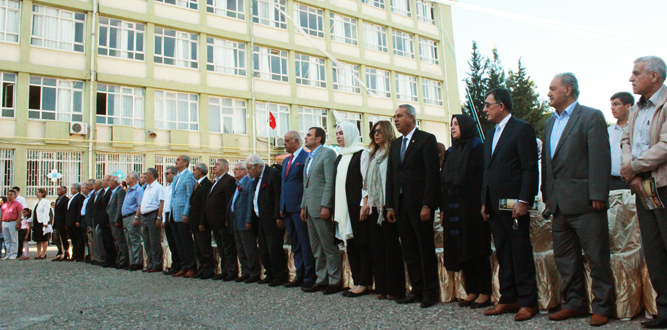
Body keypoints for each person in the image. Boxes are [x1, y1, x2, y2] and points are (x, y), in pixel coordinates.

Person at [542, 73, 614, 327]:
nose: (548, 93)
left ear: (568, 89)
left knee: (597, 257)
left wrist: (598, 194)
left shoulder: (591, 116)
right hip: (559, 204)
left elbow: (600, 158)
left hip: (586, 202)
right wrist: (546, 194)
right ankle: (574, 304)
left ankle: (603, 306)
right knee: (565, 259)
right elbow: (548, 164)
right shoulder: (550, 123)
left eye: (553, 88)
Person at [480, 88, 539, 321]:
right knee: (503, 251)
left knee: (519, 249)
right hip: (494, 205)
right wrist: (484, 202)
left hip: (513, 203)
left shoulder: (522, 129)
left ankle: (527, 302)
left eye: (488, 104)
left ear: (501, 106)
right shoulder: (490, 134)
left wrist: (524, 200)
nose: (484, 109)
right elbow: (488, 170)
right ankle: (508, 298)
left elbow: (529, 168)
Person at [620, 56, 667, 329]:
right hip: (641, 185)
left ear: (654, 76)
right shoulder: (637, 109)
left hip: (663, 184)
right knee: (654, 251)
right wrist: (633, 173)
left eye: (636, 73)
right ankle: (664, 312)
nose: (631, 78)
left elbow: (664, 145)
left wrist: (635, 167)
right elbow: (626, 139)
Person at [385, 105, 440, 308]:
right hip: (400, 207)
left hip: (419, 206)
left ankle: (430, 291)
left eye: (399, 116)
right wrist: (390, 206)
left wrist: (427, 204)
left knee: (424, 249)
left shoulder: (426, 140)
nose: (396, 120)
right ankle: (416, 289)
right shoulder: (396, 144)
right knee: (409, 251)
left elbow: (432, 175)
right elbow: (391, 176)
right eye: (395, 117)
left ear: (411, 118)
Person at [440, 115, 492, 309]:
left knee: (476, 248)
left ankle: (484, 291)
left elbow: (483, 178)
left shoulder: (478, 147)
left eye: (456, 124)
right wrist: (443, 208)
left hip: (472, 206)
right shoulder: (451, 151)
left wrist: (484, 203)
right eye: (451, 124)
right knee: (460, 249)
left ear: (466, 126)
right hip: (454, 207)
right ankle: (471, 290)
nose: (453, 127)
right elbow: (444, 180)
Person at [362, 120, 405, 300]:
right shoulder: (373, 155)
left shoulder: (392, 153)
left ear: (387, 132)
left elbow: (394, 181)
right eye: (373, 132)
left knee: (392, 249)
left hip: (387, 207)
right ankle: (382, 287)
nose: (376, 135)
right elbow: (366, 182)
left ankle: (395, 289)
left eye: (379, 131)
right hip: (373, 207)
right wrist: (365, 203)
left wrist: (390, 205)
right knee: (378, 249)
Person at [300, 127, 342, 295]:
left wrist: (326, 205)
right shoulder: (309, 157)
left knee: (328, 246)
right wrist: (303, 206)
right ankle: (321, 279)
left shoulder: (327, 153)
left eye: (309, 135)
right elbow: (307, 184)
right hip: (309, 208)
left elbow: (329, 181)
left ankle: (334, 280)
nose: (306, 137)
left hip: (321, 207)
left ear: (318, 139)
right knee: (316, 247)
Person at [333, 122, 372, 297]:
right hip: (343, 207)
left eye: (341, 133)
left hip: (357, 206)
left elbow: (366, 181)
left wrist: (365, 203)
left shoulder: (361, 154)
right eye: (337, 133)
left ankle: (364, 282)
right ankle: (356, 281)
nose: (338, 136)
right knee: (350, 244)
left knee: (362, 243)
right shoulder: (340, 157)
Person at [280, 131, 315, 288]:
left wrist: (303, 205)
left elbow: (305, 184)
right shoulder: (286, 161)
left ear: (296, 141)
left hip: (299, 208)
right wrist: (282, 206)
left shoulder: (305, 157)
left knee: (304, 242)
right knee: (295, 244)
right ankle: (299, 274)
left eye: (287, 141)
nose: (284, 144)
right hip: (287, 208)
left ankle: (309, 276)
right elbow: (284, 184)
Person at [247, 154, 287, 287]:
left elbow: (278, 196)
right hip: (260, 219)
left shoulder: (272, 174)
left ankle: (280, 275)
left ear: (257, 166)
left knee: (274, 248)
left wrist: (278, 216)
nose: (249, 172)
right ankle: (269, 273)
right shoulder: (257, 178)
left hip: (271, 218)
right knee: (264, 249)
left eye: (250, 169)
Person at [205, 159, 238, 281]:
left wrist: (227, 219)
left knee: (228, 247)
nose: (214, 167)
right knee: (221, 247)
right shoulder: (216, 182)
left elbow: (229, 202)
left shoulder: (229, 181)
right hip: (214, 221)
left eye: (217, 164)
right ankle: (224, 270)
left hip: (223, 221)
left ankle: (231, 271)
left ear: (225, 167)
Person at [228, 161, 260, 283]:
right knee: (240, 248)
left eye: (237, 169)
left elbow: (249, 203)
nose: (234, 171)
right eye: (234, 169)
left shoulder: (249, 183)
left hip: (244, 220)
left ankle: (254, 272)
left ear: (245, 171)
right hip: (236, 219)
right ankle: (245, 271)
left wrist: (248, 219)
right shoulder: (237, 184)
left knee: (249, 248)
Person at [170, 155, 197, 278]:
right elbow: (173, 196)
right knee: (178, 242)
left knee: (186, 242)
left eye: (178, 160)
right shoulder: (176, 178)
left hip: (182, 213)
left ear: (186, 162)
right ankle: (183, 266)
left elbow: (189, 196)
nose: (176, 161)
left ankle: (191, 267)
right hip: (174, 213)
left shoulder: (189, 176)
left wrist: (186, 213)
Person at [189, 163, 214, 279]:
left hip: (201, 221)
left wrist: (202, 222)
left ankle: (208, 269)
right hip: (194, 221)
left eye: (194, 170)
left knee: (205, 247)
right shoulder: (197, 184)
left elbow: (204, 205)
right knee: (198, 248)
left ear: (200, 171)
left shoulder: (206, 184)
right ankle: (202, 268)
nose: (193, 172)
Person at [138, 168, 165, 273]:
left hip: (153, 215)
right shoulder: (147, 188)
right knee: (146, 241)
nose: (145, 176)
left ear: (153, 175)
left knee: (154, 241)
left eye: (147, 174)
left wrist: (159, 217)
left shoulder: (158, 187)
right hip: (145, 216)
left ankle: (157, 264)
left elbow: (161, 203)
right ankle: (150, 263)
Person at [609, 92, 634, 190]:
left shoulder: (637, 129)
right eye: (611, 105)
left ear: (628, 106)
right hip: (611, 182)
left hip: (633, 181)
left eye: (616, 104)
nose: (612, 108)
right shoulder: (608, 131)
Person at [121, 171, 144, 271]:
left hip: (132, 217)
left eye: (128, 177)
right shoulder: (129, 190)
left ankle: (138, 262)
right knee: (129, 241)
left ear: (133, 179)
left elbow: (140, 205)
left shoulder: (138, 190)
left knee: (135, 240)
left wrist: (136, 217)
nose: (126, 179)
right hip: (125, 218)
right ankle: (132, 262)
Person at [94, 176, 116, 267]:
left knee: (109, 241)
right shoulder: (103, 192)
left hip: (107, 221)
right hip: (101, 220)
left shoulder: (110, 192)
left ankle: (111, 259)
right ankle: (106, 258)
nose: (103, 181)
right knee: (103, 241)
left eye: (105, 180)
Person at [107, 176, 128, 269]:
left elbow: (119, 206)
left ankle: (123, 260)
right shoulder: (113, 192)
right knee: (116, 241)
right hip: (111, 220)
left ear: (115, 182)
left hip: (116, 221)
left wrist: (116, 219)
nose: (108, 183)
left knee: (120, 241)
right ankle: (119, 259)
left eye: (110, 181)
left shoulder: (120, 191)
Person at [161, 167, 179, 275]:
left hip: (173, 214)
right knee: (171, 242)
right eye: (165, 173)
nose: (166, 175)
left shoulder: (175, 185)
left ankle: (178, 265)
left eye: (168, 173)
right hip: (167, 214)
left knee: (176, 242)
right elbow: (165, 204)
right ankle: (174, 264)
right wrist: (163, 219)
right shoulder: (166, 187)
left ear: (174, 174)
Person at [66, 183, 85, 262]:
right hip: (70, 222)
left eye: (73, 188)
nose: (71, 189)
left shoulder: (80, 197)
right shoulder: (72, 198)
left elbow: (79, 210)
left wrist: (78, 220)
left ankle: (79, 255)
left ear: (77, 189)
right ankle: (74, 254)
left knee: (78, 239)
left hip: (75, 221)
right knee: (73, 239)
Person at [2, 190, 23, 260]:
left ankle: (13, 254)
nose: (9, 196)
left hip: (12, 222)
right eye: (8, 194)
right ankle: (8, 253)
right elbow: (2, 214)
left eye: (11, 194)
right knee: (6, 239)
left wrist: (18, 223)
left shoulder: (17, 204)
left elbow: (20, 214)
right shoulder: (4, 204)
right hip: (4, 221)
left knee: (13, 239)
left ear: (14, 195)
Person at [78, 181, 94, 263]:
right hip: (83, 218)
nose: (82, 190)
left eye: (83, 188)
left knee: (90, 238)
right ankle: (88, 255)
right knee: (86, 239)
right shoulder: (86, 198)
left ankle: (91, 256)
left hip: (88, 218)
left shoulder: (92, 196)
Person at [52, 186, 70, 261]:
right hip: (57, 222)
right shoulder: (57, 200)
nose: (58, 190)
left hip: (62, 222)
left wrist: (66, 223)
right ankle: (59, 251)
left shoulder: (66, 200)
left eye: (59, 189)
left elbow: (66, 212)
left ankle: (66, 252)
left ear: (64, 191)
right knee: (57, 238)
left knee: (63, 238)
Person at [32, 188, 51, 259]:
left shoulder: (45, 202)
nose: (37, 194)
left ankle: (43, 253)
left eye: (38, 192)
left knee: (44, 238)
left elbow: (46, 212)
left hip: (42, 222)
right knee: (38, 238)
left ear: (42, 193)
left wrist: (45, 222)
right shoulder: (36, 202)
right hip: (36, 221)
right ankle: (38, 253)